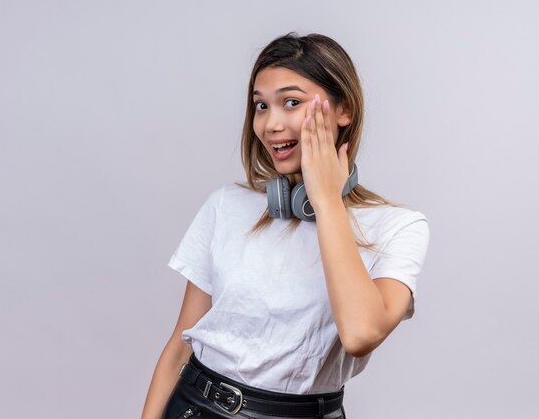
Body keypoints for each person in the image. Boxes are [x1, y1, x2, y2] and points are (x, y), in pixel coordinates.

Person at [141, 32, 430, 419]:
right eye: (261, 106)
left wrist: (326, 201)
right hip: (198, 407)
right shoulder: (227, 205)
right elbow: (180, 345)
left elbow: (360, 333)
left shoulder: (398, 227)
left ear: (343, 110)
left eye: (291, 103)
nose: (271, 124)